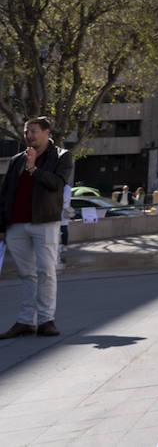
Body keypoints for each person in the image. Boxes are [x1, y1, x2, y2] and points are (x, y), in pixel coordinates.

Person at [0, 116, 75, 338]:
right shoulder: (17, 160)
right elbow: (5, 194)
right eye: (26, 132)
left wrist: (33, 168)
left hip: (45, 222)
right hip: (16, 225)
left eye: (33, 131)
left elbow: (57, 184)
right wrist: (2, 226)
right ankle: (25, 321)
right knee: (26, 274)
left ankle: (46, 320)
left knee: (46, 272)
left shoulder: (62, 156)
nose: (28, 136)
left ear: (46, 132)